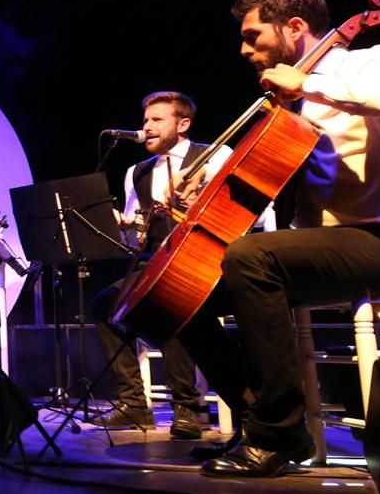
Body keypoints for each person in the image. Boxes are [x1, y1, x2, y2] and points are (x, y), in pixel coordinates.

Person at [141, 0, 380, 477]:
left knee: (251, 257)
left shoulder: (372, 61)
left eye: (253, 36)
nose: (244, 50)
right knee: (171, 293)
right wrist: (206, 189)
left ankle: (277, 435)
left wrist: (305, 83)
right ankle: (256, 420)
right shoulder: (281, 105)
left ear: (295, 28)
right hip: (314, 252)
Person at [90, 92, 276, 439]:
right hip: (160, 261)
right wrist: (125, 224)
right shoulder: (137, 172)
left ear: (183, 124)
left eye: (157, 120)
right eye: (145, 120)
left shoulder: (215, 154)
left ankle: (187, 407)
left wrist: (198, 200)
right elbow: (139, 232)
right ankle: (133, 403)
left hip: (209, 260)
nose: (146, 127)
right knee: (104, 304)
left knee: (169, 299)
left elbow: (253, 210)